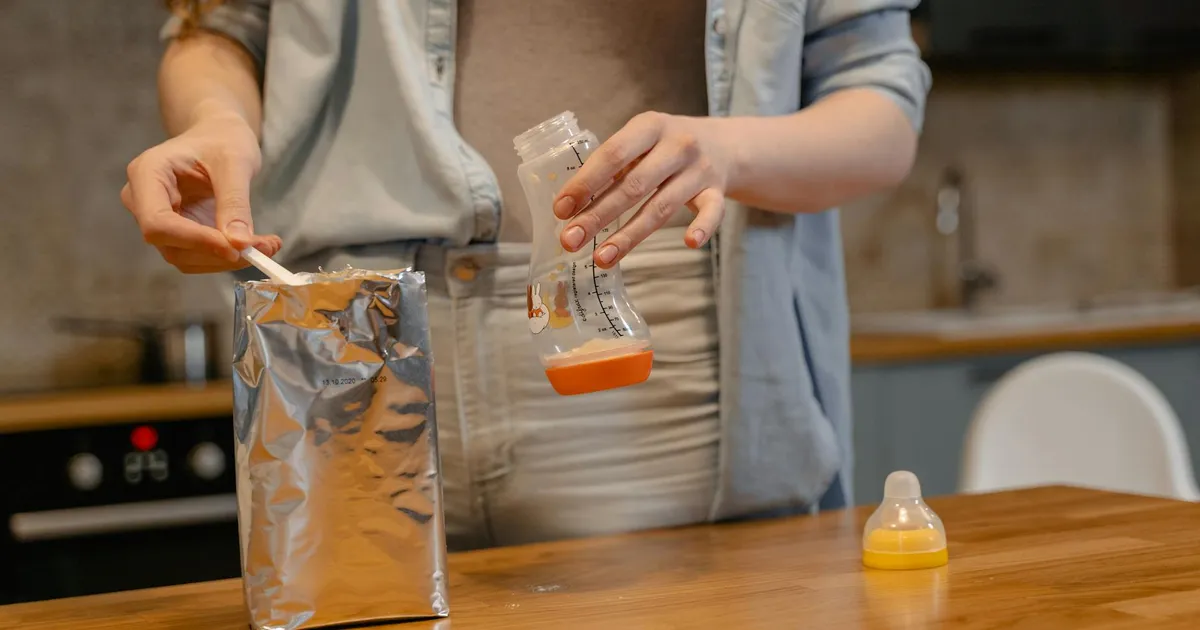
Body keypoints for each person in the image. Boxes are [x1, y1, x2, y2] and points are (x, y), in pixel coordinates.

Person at [124, 0, 930, 550]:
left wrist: (729, 149)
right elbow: (217, 24)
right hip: (347, 334)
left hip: (651, 357)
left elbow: (881, 110)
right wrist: (217, 120)